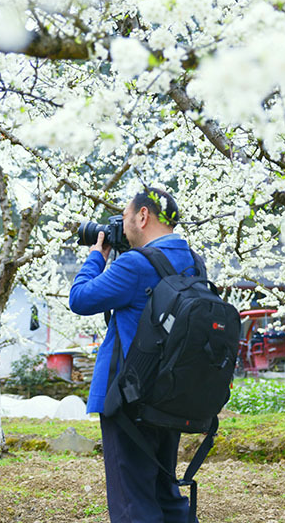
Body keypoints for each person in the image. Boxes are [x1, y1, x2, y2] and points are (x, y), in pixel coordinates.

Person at [69, 188, 200, 523]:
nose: (123, 226)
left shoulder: (134, 265)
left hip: (127, 398)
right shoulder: (193, 262)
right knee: (165, 493)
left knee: (132, 502)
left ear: (143, 216)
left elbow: (81, 298)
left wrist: (98, 255)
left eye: (126, 218)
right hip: (172, 395)